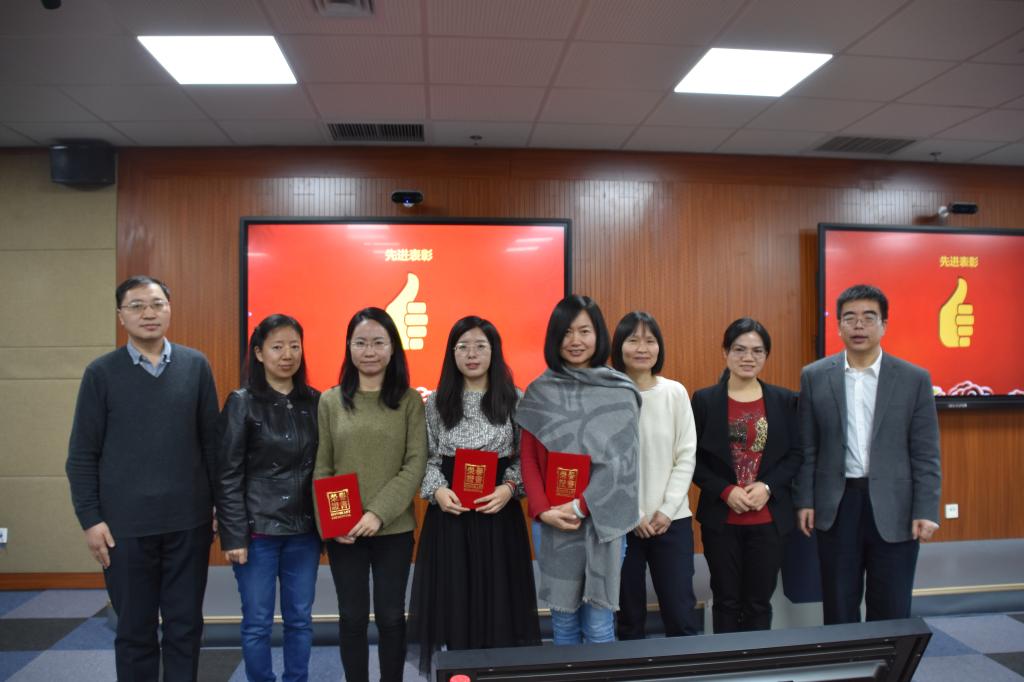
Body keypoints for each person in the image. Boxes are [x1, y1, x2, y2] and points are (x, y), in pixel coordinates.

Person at [66, 275, 219, 681]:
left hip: (188, 524)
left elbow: (212, 446)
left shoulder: (196, 366)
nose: (148, 313)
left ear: (169, 309)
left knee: (185, 628)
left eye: (156, 304)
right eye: (136, 306)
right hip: (124, 530)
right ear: (121, 316)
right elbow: (81, 455)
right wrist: (90, 520)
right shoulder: (101, 373)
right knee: (135, 632)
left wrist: (218, 506)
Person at [795, 284, 941, 624]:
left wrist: (926, 508)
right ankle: (845, 661)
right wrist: (805, 500)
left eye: (868, 317)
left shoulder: (914, 379)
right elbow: (807, 447)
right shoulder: (815, 376)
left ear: (884, 325)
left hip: (896, 507)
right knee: (839, 605)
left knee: (891, 607)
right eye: (850, 318)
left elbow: (925, 452)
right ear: (838, 326)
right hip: (837, 505)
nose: (858, 325)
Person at [409, 316, 541, 673]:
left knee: (499, 606)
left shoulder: (513, 399)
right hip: (451, 517)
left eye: (480, 346)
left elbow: (524, 458)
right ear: (452, 353)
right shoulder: (437, 402)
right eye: (463, 347)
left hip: (498, 516)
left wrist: (509, 488)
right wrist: (437, 491)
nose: (471, 354)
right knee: (456, 604)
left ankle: (497, 675)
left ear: (493, 352)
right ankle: (459, 675)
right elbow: (428, 458)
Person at [516, 294, 641, 645]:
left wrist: (579, 506)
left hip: (604, 522)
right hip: (553, 524)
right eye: (567, 332)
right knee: (564, 625)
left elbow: (623, 464)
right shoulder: (540, 391)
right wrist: (543, 510)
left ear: (598, 335)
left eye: (584, 331)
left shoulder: (620, 390)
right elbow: (529, 459)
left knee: (599, 626)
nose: (575, 340)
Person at [314, 307, 427, 682]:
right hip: (345, 531)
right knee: (351, 618)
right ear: (349, 347)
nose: (370, 351)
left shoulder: (409, 401)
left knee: (392, 617)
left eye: (379, 342)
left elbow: (414, 464)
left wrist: (378, 513)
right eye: (361, 343)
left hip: (393, 529)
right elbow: (323, 467)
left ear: (393, 348)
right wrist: (333, 524)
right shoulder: (330, 401)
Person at [216, 314, 321, 682]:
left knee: (300, 620)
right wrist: (233, 535)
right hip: (257, 532)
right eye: (277, 347)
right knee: (258, 622)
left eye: (294, 346)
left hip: (304, 531)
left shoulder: (315, 401)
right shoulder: (242, 402)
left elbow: (327, 468)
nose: (287, 355)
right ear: (259, 353)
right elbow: (227, 474)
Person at [691, 318, 801, 633]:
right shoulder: (705, 400)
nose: (748, 357)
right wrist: (725, 490)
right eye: (739, 349)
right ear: (725, 352)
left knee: (758, 603)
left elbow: (796, 454)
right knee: (725, 600)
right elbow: (692, 459)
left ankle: (757, 662)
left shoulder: (784, 400)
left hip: (769, 521)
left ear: (766, 355)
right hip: (721, 521)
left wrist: (768, 486)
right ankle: (727, 661)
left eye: (757, 351)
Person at [610, 311, 699, 640]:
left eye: (649, 340)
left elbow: (686, 455)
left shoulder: (675, 392)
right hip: (622, 523)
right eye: (633, 340)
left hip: (671, 521)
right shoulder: (608, 395)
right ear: (619, 346)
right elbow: (605, 462)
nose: (642, 348)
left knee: (680, 613)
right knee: (628, 618)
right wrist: (633, 513)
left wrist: (667, 509)